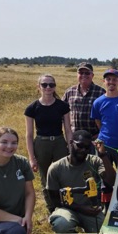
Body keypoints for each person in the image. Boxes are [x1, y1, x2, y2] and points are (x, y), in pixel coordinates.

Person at [47, 130, 116, 234]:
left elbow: (111, 181)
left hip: (92, 210)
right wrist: (80, 208)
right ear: (71, 143)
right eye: (79, 145)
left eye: (87, 147)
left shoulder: (94, 161)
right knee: (62, 224)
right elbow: (55, 200)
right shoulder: (56, 168)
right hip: (67, 209)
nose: (83, 150)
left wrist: (103, 155)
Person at [24, 74, 72, 213]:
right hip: (41, 143)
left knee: (63, 174)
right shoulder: (32, 108)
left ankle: (65, 206)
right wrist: (32, 158)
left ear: (55, 86)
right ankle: (51, 208)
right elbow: (29, 134)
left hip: (59, 142)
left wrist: (70, 147)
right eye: (44, 85)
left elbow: (68, 129)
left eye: (51, 85)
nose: (48, 87)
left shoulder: (62, 106)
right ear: (38, 87)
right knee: (45, 178)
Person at [91, 68, 118, 165]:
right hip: (104, 145)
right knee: (105, 175)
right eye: (108, 79)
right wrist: (106, 135)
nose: (111, 82)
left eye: (114, 79)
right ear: (104, 81)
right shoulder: (98, 102)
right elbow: (98, 122)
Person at [62, 62, 106, 140]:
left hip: (95, 139)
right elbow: (62, 114)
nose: (84, 75)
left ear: (92, 75)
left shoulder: (101, 93)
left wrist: (100, 135)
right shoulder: (69, 92)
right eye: (81, 73)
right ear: (77, 75)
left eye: (87, 73)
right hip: (74, 139)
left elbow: (107, 117)